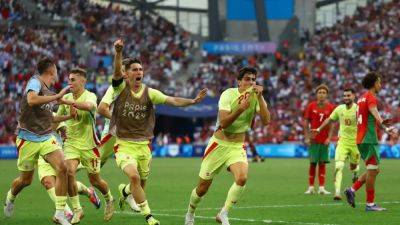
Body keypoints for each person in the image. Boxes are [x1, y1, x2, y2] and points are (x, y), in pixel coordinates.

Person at [112, 39, 207, 225]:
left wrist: (193, 101)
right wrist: (118, 53)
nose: (139, 72)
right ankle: (149, 217)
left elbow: (173, 101)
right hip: (124, 145)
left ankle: (125, 192)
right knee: (134, 177)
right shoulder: (120, 89)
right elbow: (116, 73)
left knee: (140, 184)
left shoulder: (150, 92)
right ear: (126, 74)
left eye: (140, 69)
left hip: (144, 145)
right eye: (134, 69)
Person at [184, 67, 270, 225]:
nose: (251, 82)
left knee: (242, 178)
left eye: (253, 79)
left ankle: (223, 213)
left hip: (237, 146)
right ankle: (190, 213)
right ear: (239, 81)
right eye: (247, 79)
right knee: (202, 188)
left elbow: (266, 121)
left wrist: (261, 98)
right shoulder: (228, 94)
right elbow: (224, 123)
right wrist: (240, 109)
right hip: (218, 145)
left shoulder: (256, 97)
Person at [3, 58, 72, 225]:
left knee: (62, 168)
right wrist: (57, 96)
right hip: (28, 138)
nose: (57, 74)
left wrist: (66, 117)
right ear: (51, 71)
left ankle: (60, 213)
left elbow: (50, 117)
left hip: (46, 137)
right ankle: (11, 197)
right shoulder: (35, 82)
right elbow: (32, 100)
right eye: (56, 70)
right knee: (25, 181)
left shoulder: (49, 91)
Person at [58, 68, 114, 223]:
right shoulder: (66, 97)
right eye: (69, 80)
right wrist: (61, 127)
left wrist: (67, 102)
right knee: (69, 171)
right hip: (71, 143)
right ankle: (77, 209)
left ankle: (109, 199)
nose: (70, 83)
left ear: (83, 81)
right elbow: (59, 117)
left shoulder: (90, 96)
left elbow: (89, 106)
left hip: (90, 145)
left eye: (73, 80)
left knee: (95, 181)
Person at [344, 72, 398, 211]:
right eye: (379, 82)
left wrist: (386, 129)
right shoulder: (370, 97)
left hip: (361, 138)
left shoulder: (361, 98)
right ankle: (370, 204)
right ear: (374, 83)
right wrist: (382, 123)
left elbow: (368, 117)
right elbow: (374, 111)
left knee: (374, 170)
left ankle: (352, 189)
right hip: (368, 138)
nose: (380, 85)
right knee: (373, 170)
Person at [97, 85, 140, 212]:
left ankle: (128, 194)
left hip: (128, 134)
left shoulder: (140, 90)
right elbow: (102, 109)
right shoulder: (115, 87)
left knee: (139, 170)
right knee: (93, 166)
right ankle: (76, 189)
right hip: (112, 132)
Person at [312, 88, 359, 200]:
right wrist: (319, 128)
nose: (346, 98)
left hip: (356, 143)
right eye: (344, 96)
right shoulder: (339, 109)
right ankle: (337, 193)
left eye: (348, 95)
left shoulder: (358, 109)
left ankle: (355, 174)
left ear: (354, 96)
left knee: (353, 166)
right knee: (339, 166)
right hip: (342, 142)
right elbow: (329, 119)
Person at [304, 84, 336, 195]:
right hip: (313, 139)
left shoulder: (331, 107)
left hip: (324, 140)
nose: (321, 94)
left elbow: (332, 124)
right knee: (312, 163)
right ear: (316, 94)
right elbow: (306, 122)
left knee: (322, 163)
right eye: (319, 92)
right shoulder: (311, 106)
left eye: (323, 93)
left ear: (326, 95)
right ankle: (311, 187)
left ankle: (321, 188)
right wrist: (307, 137)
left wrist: (329, 137)